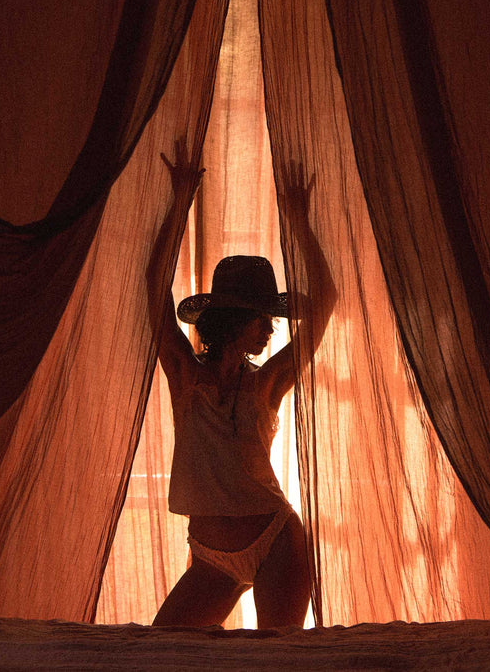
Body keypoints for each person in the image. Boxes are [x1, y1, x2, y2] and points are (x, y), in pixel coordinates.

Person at [146, 140, 336, 629]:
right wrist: (180, 201)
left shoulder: (268, 381)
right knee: (159, 653)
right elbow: (154, 288)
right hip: (211, 557)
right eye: (262, 319)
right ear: (233, 318)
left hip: (275, 539)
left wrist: (297, 219)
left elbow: (326, 301)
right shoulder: (185, 374)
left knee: (280, 662)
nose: (270, 330)